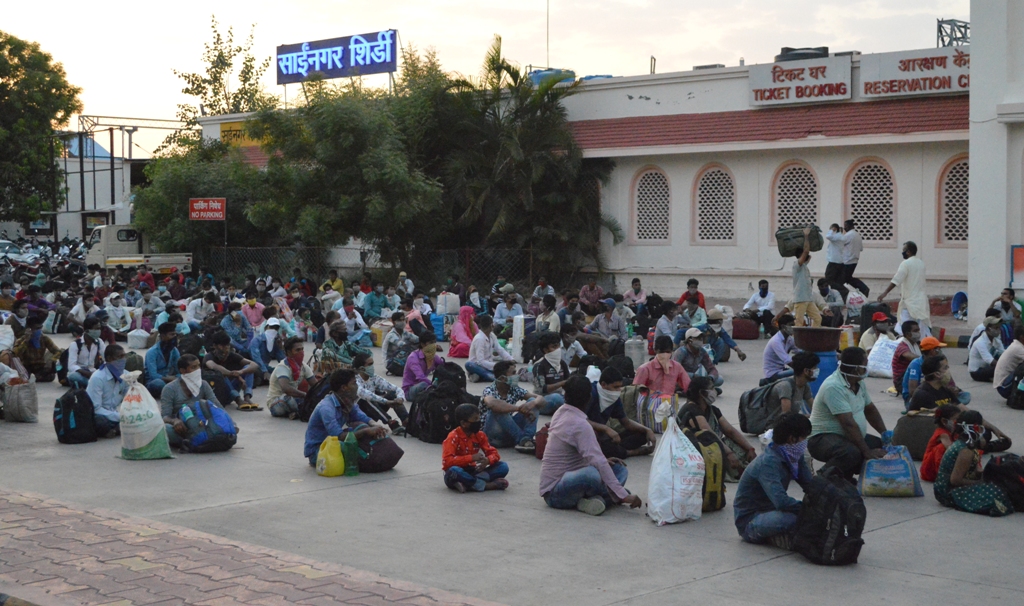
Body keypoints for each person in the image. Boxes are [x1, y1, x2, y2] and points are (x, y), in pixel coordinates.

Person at [540, 375, 642, 515]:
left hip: (571, 478)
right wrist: (623, 495)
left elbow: (588, 455)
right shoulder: (580, 424)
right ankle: (609, 498)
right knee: (592, 473)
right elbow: (597, 460)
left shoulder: (563, 411)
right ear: (589, 398)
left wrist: (605, 462)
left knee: (619, 469)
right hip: (555, 494)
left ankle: (596, 500)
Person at [734, 413, 814, 548]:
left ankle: (780, 536)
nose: (805, 443)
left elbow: (810, 484)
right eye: (804, 438)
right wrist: (808, 509)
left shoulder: (793, 455)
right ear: (792, 439)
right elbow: (781, 502)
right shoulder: (768, 463)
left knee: (813, 518)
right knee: (798, 519)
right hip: (751, 521)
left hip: (772, 511)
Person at [808, 347, 888, 480]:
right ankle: (822, 478)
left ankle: (844, 477)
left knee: (878, 445)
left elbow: (870, 410)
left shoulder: (858, 383)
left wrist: (885, 434)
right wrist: (866, 452)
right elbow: (848, 423)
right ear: (856, 368)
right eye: (864, 365)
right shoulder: (834, 386)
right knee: (851, 453)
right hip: (820, 438)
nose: (866, 368)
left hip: (844, 436)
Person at [303, 369, 391, 468]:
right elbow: (338, 436)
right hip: (318, 450)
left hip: (332, 443)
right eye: (354, 383)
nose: (357, 386)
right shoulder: (326, 408)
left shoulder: (347, 402)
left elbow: (361, 417)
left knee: (362, 427)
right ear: (344, 388)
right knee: (352, 446)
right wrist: (366, 431)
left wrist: (376, 426)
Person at [933, 411, 1013, 516]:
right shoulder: (966, 450)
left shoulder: (966, 444)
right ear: (976, 428)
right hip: (948, 492)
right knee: (997, 494)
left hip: (951, 486)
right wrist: (980, 483)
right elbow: (955, 480)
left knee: (997, 485)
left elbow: (973, 471)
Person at [678, 376, 757, 481]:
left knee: (738, 446)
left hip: (709, 447)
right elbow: (710, 436)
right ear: (702, 393)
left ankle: (740, 471)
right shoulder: (691, 411)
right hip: (693, 452)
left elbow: (730, 431)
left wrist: (750, 448)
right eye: (711, 388)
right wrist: (729, 453)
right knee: (724, 449)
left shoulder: (711, 410)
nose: (714, 392)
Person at [587, 367, 656, 458]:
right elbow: (580, 419)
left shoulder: (613, 397)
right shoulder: (591, 393)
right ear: (603, 384)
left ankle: (616, 450)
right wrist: (606, 429)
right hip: (588, 435)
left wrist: (647, 430)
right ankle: (629, 452)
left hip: (604, 436)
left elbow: (626, 422)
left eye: (620, 387)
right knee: (607, 447)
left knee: (642, 435)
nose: (619, 390)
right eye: (615, 387)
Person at [442, 403, 510, 493]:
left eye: (478, 418)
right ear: (463, 423)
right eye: (475, 419)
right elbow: (447, 461)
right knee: (454, 471)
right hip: (457, 471)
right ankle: (485, 485)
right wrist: (471, 458)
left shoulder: (479, 435)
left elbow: (494, 453)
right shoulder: (453, 437)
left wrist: (488, 460)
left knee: (503, 466)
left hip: (474, 471)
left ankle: (468, 483)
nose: (479, 421)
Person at [480, 360, 543, 453]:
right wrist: (519, 409)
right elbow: (492, 403)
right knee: (498, 409)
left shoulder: (514, 389)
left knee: (533, 401)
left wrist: (532, 403)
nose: (517, 376)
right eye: (513, 373)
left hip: (509, 433)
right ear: (502, 378)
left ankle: (526, 439)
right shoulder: (489, 390)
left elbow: (541, 399)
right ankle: (523, 440)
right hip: (493, 437)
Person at [160, 354, 221, 447]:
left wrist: (231, 423)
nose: (198, 370)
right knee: (166, 429)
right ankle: (197, 441)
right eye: (193, 367)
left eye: (198, 366)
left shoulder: (203, 384)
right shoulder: (170, 388)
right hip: (182, 428)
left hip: (202, 424)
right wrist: (174, 421)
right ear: (183, 371)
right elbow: (165, 417)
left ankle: (199, 440)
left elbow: (217, 405)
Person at [876, 241, 931, 337]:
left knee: (903, 328)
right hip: (921, 302)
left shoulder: (905, 263)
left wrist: (885, 293)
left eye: (903, 251)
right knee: (921, 329)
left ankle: (904, 347)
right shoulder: (921, 263)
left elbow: (897, 280)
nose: (903, 253)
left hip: (909, 303)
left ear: (908, 252)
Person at [204, 331, 260, 410]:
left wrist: (241, 372)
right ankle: (238, 400)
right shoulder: (209, 357)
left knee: (248, 368)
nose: (226, 348)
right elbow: (213, 366)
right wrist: (234, 375)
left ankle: (247, 397)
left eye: (227, 345)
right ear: (214, 346)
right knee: (220, 373)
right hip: (217, 395)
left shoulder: (231, 354)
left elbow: (254, 365)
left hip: (230, 392)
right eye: (222, 346)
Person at [352, 352, 408, 429]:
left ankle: (406, 420)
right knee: (365, 399)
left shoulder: (374, 378)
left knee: (392, 394)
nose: (372, 367)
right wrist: (386, 401)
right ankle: (390, 422)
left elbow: (396, 389)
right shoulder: (354, 380)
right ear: (362, 368)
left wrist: (400, 398)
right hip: (359, 413)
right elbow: (364, 394)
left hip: (374, 410)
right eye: (370, 364)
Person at [763, 351, 819, 426]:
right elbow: (787, 416)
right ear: (806, 371)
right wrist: (808, 417)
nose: (817, 371)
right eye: (814, 368)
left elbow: (815, 409)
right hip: (775, 427)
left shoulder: (805, 386)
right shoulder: (786, 386)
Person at [86, 344, 128, 439]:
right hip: (100, 415)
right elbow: (96, 409)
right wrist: (121, 417)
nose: (123, 360)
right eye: (120, 357)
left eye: (124, 356)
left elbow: (131, 398)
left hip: (114, 414)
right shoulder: (98, 378)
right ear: (109, 359)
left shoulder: (126, 375)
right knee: (100, 422)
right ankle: (116, 429)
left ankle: (115, 430)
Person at [267, 336, 313, 419]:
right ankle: (302, 412)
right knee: (288, 399)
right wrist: (305, 395)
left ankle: (298, 413)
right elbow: (286, 388)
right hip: (276, 403)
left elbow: (315, 384)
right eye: (298, 350)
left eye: (302, 349)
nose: (301, 352)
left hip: (294, 399)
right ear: (289, 352)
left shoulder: (303, 367)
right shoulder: (283, 367)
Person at [903, 336, 955, 406]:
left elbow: (949, 382)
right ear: (932, 351)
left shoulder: (938, 362)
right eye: (938, 349)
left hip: (934, 394)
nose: (940, 351)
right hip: (917, 397)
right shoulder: (916, 364)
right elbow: (912, 391)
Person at [920, 405, 961, 482]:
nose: (958, 422)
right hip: (929, 470)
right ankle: (942, 476)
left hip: (937, 465)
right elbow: (951, 449)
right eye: (955, 419)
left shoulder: (953, 432)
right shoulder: (942, 433)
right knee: (941, 448)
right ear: (944, 421)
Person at [12, 315, 60, 382]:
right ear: (29, 329)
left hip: (39, 365)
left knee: (51, 376)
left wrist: (52, 360)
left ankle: (36, 377)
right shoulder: (21, 340)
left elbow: (58, 351)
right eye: (36, 328)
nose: (39, 330)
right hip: (26, 365)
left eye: (40, 328)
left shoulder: (44, 338)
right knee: (23, 377)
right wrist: (26, 341)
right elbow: (15, 354)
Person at [532, 332, 570, 415]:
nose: (558, 349)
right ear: (546, 350)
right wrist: (563, 383)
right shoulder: (539, 365)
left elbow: (568, 381)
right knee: (556, 398)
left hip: (560, 397)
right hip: (543, 400)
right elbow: (543, 389)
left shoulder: (562, 363)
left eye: (558, 346)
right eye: (554, 347)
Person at [790, 227, 821, 327]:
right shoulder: (797, 265)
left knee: (817, 318)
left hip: (808, 298)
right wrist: (806, 236)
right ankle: (795, 341)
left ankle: (812, 338)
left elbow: (809, 254)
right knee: (799, 322)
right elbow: (806, 251)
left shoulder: (804, 266)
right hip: (800, 299)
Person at [403, 331, 445, 401]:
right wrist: (434, 386)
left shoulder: (432, 356)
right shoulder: (413, 358)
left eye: (434, 342)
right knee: (424, 384)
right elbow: (420, 377)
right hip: (410, 390)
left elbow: (443, 365)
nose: (433, 345)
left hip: (425, 386)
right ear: (423, 344)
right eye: (431, 343)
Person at [144, 322, 181, 398]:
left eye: (175, 334)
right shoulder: (152, 352)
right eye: (171, 334)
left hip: (171, 380)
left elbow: (179, 369)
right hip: (154, 381)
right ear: (163, 336)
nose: (174, 337)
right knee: (158, 384)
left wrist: (178, 377)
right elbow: (153, 375)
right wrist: (171, 379)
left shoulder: (174, 350)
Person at [66, 317, 103, 389]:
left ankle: (92, 384)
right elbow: (71, 366)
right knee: (73, 376)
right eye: (96, 329)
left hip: (93, 372)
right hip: (80, 373)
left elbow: (105, 358)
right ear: (87, 330)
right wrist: (87, 373)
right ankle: (92, 385)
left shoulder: (99, 342)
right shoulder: (75, 344)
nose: (99, 331)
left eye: (99, 328)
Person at [969, 316, 1005, 382]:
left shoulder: (996, 340)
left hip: (986, 368)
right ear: (989, 329)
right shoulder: (980, 342)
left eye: (999, 328)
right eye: (996, 328)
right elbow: (990, 360)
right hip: (977, 372)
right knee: (1000, 367)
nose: (998, 330)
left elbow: (1004, 353)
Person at [762, 314, 796, 383]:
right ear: (783, 326)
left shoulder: (790, 339)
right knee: (800, 373)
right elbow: (787, 360)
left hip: (782, 370)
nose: (793, 327)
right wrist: (802, 369)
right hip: (772, 374)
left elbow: (800, 351)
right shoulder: (776, 341)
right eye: (791, 325)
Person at [840, 219, 869, 296]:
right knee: (848, 278)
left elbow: (840, 244)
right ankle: (863, 289)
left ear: (850, 226)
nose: (844, 228)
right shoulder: (857, 235)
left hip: (847, 260)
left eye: (845, 226)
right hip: (854, 260)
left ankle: (863, 288)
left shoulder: (848, 235)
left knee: (844, 279)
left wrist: (840, 234)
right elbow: (861, 248)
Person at [891, 320, 922, 391]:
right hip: (901, 381)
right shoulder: (902, 346)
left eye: (918, 330)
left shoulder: (916, 344)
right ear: (908, 334)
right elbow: (910, 356)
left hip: (910, 376)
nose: (918, 333)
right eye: (916, 331)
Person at [823, 223, 851, 301]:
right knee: (837, 281)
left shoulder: (836, 237)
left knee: (828, 279)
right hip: (839, 262)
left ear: (835, 229)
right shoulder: (841, 237)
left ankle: (844, 291)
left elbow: (828, 236)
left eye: (831, 229)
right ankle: (840, 296)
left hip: (833, 262)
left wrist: (832, 230)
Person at [994, 325, 1024, 397]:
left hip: (1005, 384)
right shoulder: (1018, 348)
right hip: (1004, 387)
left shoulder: (1017, 345)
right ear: (1022, 337)